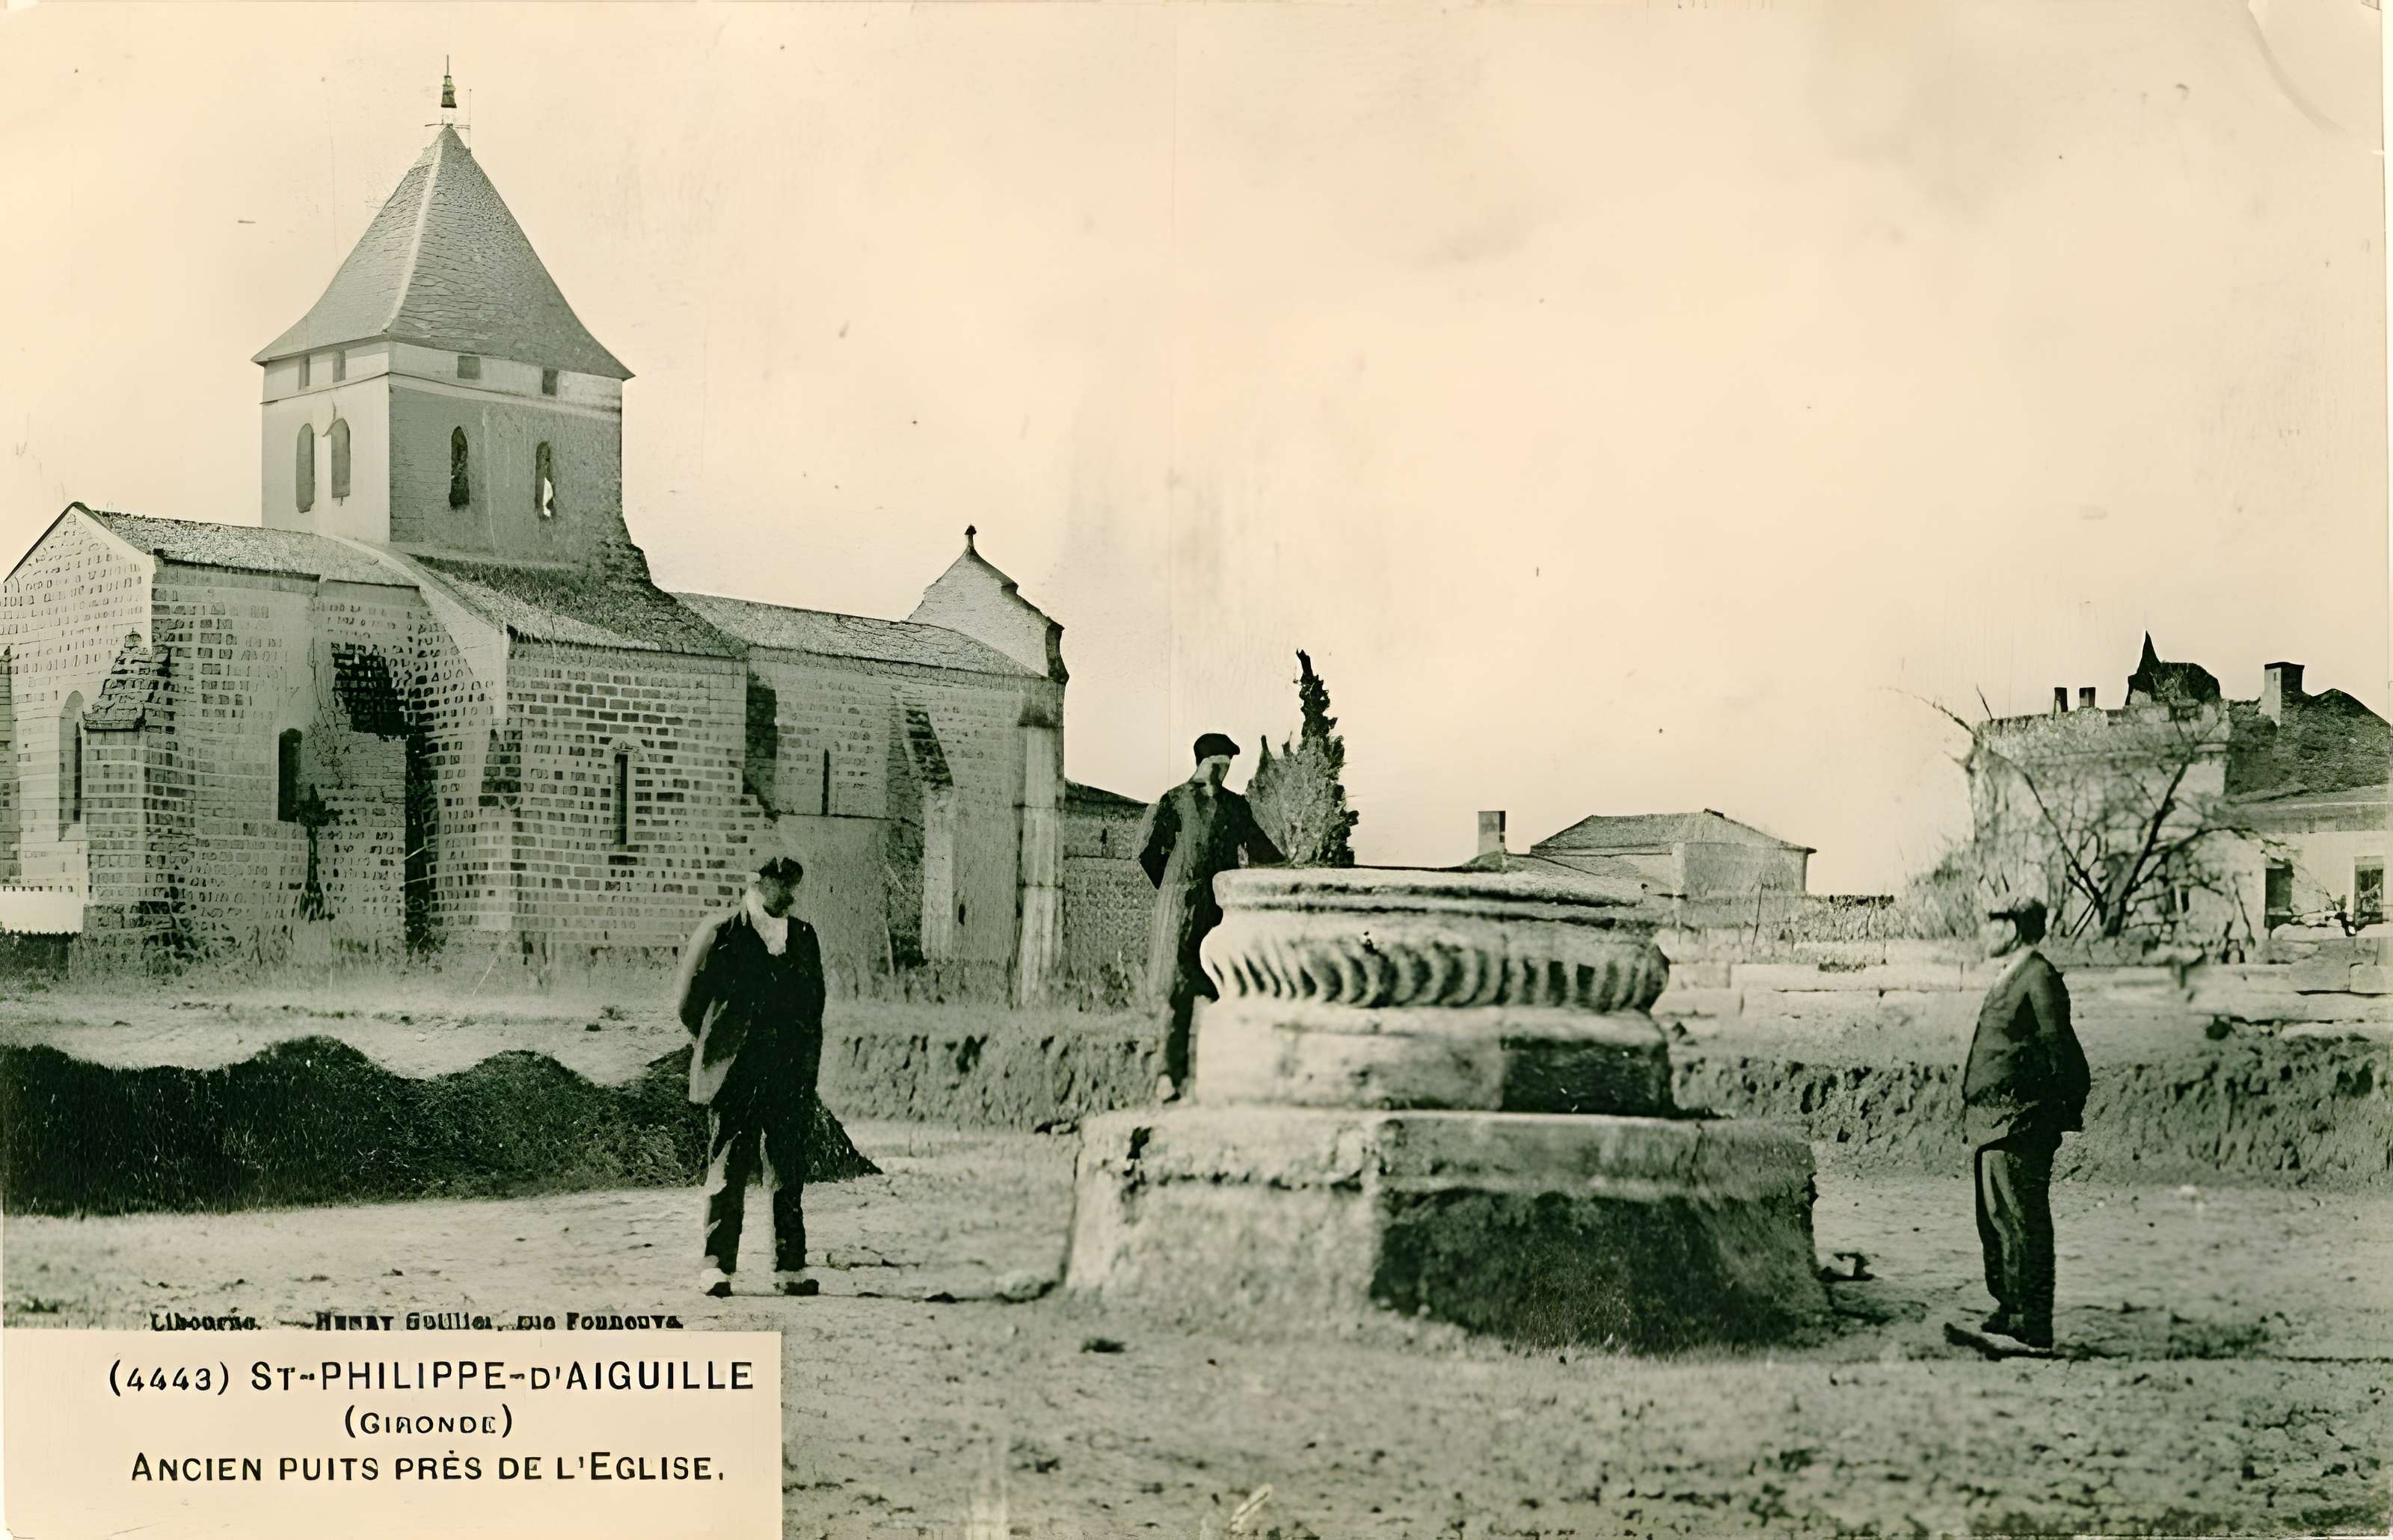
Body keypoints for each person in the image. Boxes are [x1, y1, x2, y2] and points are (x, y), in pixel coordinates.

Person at [672, 854, 828, 1299]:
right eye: (782, 884)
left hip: (787, 1074)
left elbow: (814, 1005)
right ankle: (716, 1266)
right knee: (729, 1168)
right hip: (735, 1074)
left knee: (788, 1169)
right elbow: (689, 1005)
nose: (791, 893)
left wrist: (802, 1062)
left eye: (795, 883)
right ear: (758, 883)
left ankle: (790, 1268)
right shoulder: (722, 933)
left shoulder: (802, 937)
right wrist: (723, 1050)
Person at [1961, 897, 2090, 1351]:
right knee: (1996, 1219)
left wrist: (2055, 1110)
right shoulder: (2008, 974)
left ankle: (2033, 1320)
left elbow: (2060, 1045)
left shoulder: (2039, 975)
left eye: (1994, 925)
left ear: (2015, 930)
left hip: (2020, 1119)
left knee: (2022, 1219)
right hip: (1992, 1119)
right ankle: (2010, 1307)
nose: (1985, 934)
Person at [1135, 732, 1285, 1103]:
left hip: (1221, 908)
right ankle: (1169, 1077)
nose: (1223, 771)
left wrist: (1288, 869)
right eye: (1217, 764)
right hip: (1181, 908)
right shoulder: (1175, 801)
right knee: (1176, 990)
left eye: (1228, 765)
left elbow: (1262, 849)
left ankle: (1229, 1076)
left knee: (1229, 984)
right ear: (1202, 763)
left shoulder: (1236, 807)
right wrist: (1173, 891)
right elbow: (1150, 854)